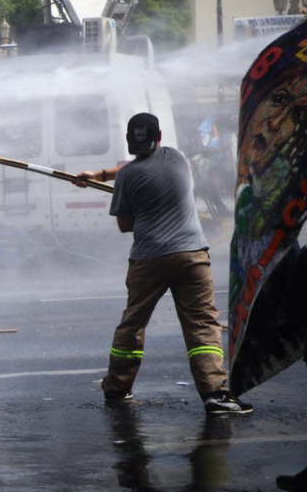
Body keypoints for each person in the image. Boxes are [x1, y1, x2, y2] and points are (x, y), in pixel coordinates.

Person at [74, 113, 252, 415]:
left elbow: (124, 225)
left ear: (130, 142)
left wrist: (118, 189)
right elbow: (137, 169)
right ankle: (216, 395)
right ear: (159, 138)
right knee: (202, 325)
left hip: (149, 259)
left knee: (133, 323)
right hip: (192, 256)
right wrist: (102, 175)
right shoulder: (178, 158)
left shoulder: (128, 177)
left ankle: (117, 389)